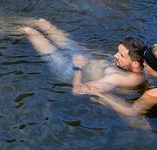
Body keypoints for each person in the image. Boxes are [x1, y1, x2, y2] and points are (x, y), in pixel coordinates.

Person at [19, 17, 147, 94]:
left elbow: (78, 91)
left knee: (29, 32)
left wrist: (77, 68)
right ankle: (6, 22)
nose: (115, 55)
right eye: (117, 52)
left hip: (69, 70)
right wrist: (88, 52)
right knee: (43, 23)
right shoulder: (143, 64)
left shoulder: (118, 79)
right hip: (86, 58)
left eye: (121, 55)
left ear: (135, 63)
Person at [93, 43, 157, 124]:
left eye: (145, 63)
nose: (143, 64)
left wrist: (103, 96)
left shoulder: (152, 94)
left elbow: (130, 112)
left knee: (108, 101)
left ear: (153, 68)